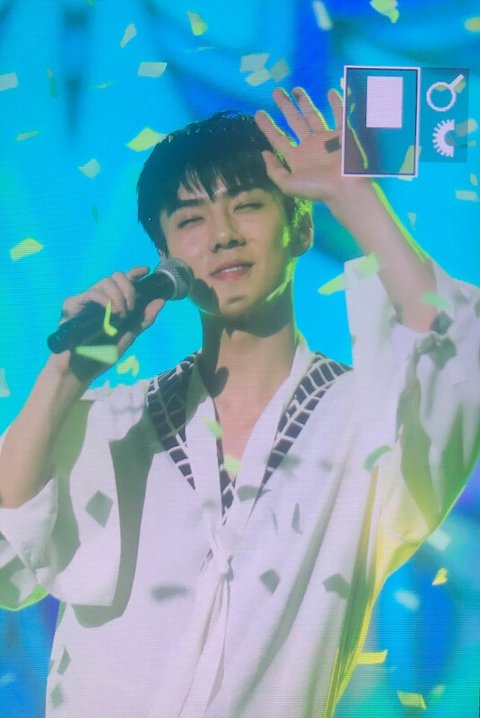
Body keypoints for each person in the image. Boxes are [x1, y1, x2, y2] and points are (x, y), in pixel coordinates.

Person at [0, 86, 478, 718]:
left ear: (299, 228)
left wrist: (354, 198)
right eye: (190, 220)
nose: (223, 235)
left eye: (248, 205)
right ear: (166, 258)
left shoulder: (369, 427)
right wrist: (65, 375)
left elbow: (460, 357)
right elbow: (7, 557)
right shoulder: (111, 422)